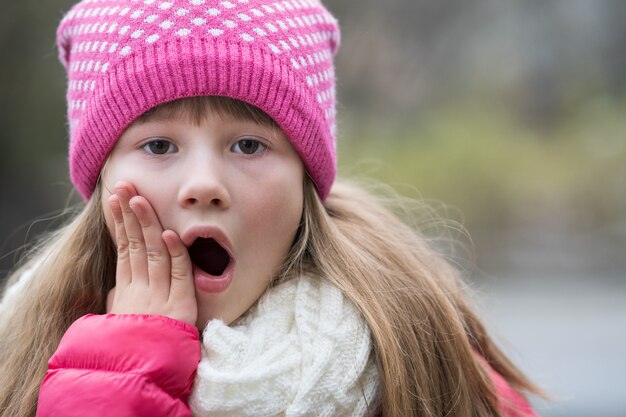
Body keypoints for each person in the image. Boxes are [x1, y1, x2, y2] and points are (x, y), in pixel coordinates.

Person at [0, 0, 543, 416]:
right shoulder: (20, 353)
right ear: (101, 182)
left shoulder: (425, 365)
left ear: (306, 179)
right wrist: (123, 371)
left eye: (249, 145)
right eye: (160, 146)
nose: (205, 185)